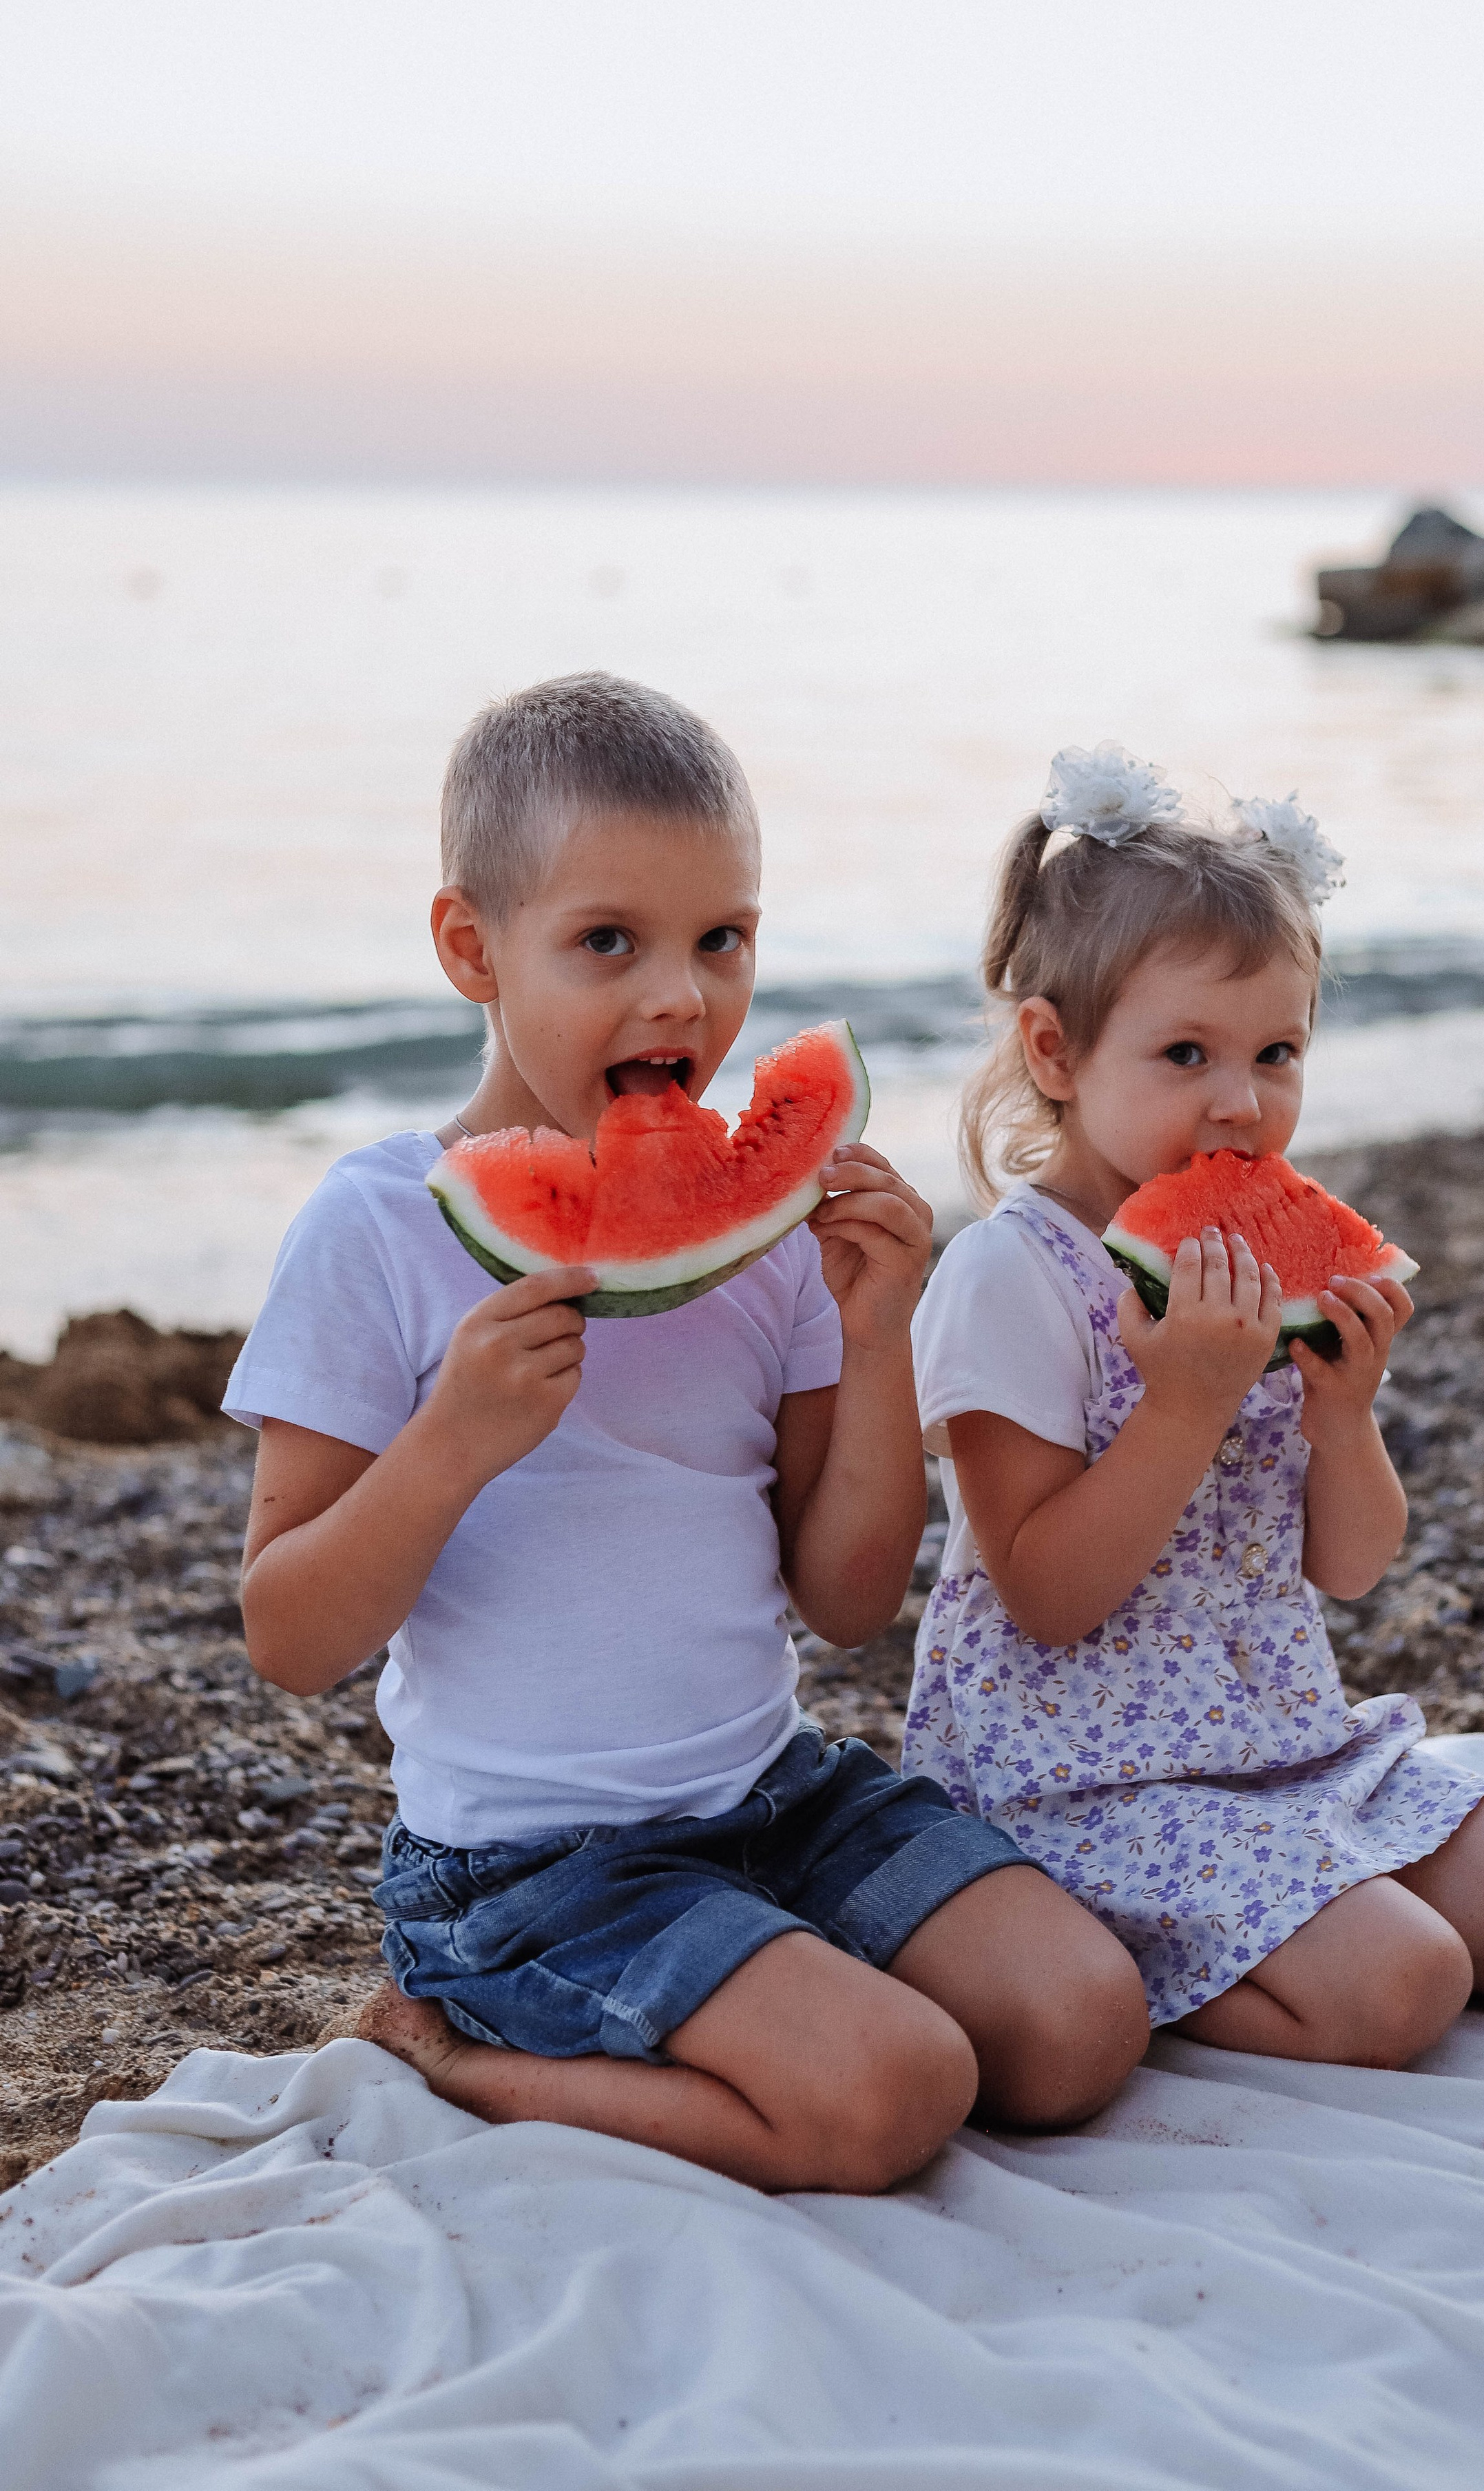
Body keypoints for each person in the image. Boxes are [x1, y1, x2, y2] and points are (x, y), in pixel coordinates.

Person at [224, 676, 1148, 2195]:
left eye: (722, 939)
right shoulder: (375, 1232)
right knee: (893, 2097)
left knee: (1078, 2026)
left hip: (772, 1793)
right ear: (470, 947)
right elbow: (285, 1634)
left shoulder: (779, 1236)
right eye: (609, 943)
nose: (681, 998)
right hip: (531, 1869)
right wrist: (451, 1440)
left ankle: (758, 1988)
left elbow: (845, 1600)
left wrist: (871, 1335)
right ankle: (447, 2044)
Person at [902, 744, 1484, 2067]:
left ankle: (1296, 1913)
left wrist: (1345, 1419)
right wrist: (1181, 1410)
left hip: (1285, 1744)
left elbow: (1350, 1567)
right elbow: (1047, 1596)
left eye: (1277, 1052)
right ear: (1054, 1051)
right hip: (1080, 1782)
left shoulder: (1255, 1270)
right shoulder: (1010, 1278)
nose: (1243, 1104)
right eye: (1186, 1054)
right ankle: (1144, 1954)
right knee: (1403, 1987)